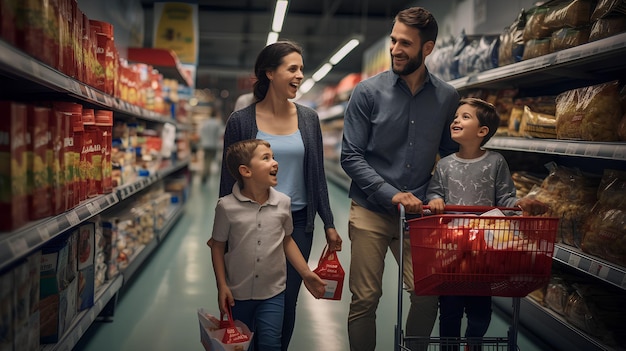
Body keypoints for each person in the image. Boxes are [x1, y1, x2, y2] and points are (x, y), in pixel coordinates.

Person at [340, 7, 460, 351]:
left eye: (405, 43)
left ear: (427, 48)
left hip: (419, 216)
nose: (395, 49)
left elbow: (449, 157)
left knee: (427, 293)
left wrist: (436, 192)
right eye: (393, 40)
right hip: (370, 210)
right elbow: (350, 156)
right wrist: (390, 194)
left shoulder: (447, 97)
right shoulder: (367, 92)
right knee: (365, 299)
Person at [218, 40, 343, 350]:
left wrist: (327, 221)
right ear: (269, 73)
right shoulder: (241, 121)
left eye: (301, 68)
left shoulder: (309, 119)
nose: (300, 75)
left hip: (297, 223)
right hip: (249, 220)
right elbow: (227, 179)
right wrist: (224, 230)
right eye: (293, 69)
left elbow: (315, 174)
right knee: (247, 300)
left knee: (285, 304)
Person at [426, 98, 546, 351]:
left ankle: (474, 342)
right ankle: (450, 347)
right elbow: (434, 192)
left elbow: (505, 197)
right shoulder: (445, 164)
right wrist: (435, 200)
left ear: (482, 132)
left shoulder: (495, 162)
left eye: (465, 117)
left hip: (486, 248)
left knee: (480, 311)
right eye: (456, 116)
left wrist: (519, 204)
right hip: (451, 248)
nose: (456, 120)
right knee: (450, 308)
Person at [210, 139, 326, 351]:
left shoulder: (283, 202)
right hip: (238, 295)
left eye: (273, 157)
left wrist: (305, 273)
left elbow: (287, 240)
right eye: (266, 158)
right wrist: (222, 286)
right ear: (246, 171)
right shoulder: (226, 207)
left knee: (271, 343)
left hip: (274, 293)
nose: (275, 163)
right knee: (242, 345)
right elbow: (217, 246)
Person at [199, 115, 224, 184]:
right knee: (210, 161)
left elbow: (201, 133)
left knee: (206, 160)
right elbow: (221, 133)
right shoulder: (217, 123)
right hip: (213, 145)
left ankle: (204, 174)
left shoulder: (205, 123)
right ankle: (206, 174)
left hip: (205, 144)